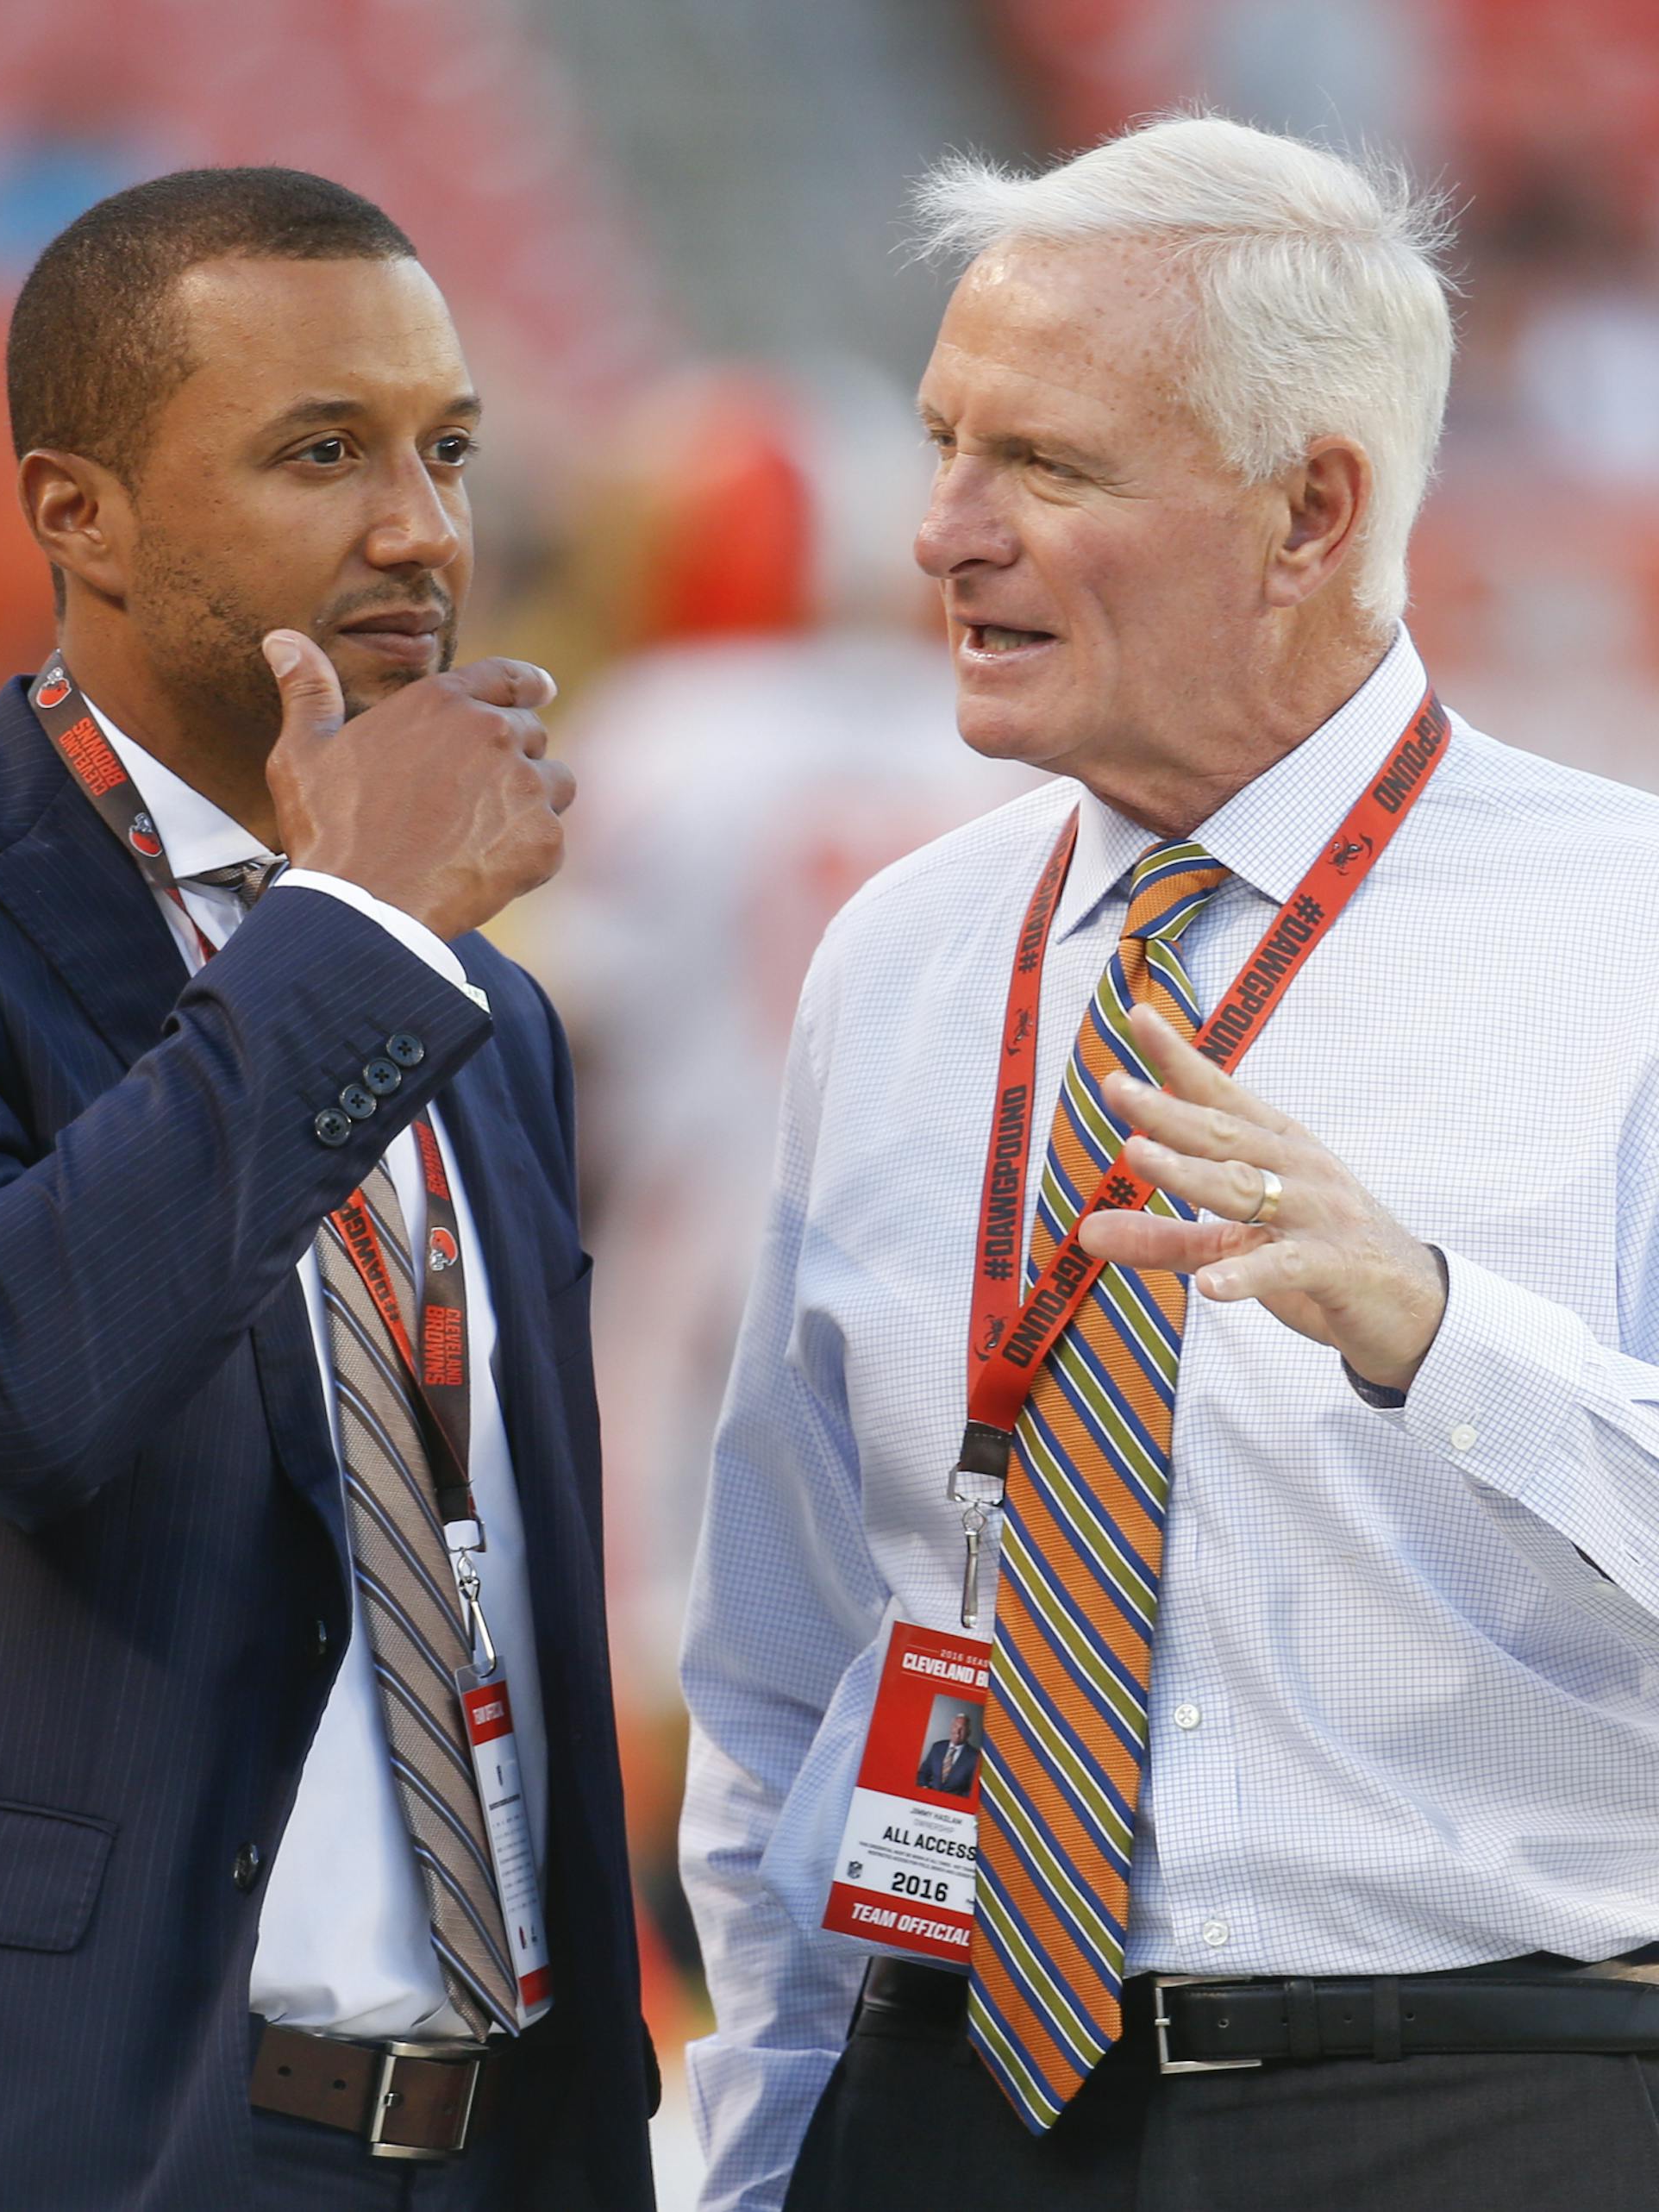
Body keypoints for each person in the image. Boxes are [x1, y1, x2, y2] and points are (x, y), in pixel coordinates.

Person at [679, 114, 1659, 2212]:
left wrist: (1435, 1328)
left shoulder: (1629, 933)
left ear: (1308, 511)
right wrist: (768, 2156)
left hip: (1474, 2103)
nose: (941, 530)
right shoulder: (900, 959)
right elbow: (781, 1648)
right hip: (942, 2102)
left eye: (1041, 465)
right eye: (942, 443)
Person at [0, 167, 655, 2212]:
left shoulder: (481, 1005)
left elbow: (499, 1567)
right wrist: (351, 919)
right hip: (66, 2133)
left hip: (479, 2139)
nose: (421, 530)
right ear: (71, 508)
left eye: (446, 447)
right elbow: (16, 1371)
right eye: (320, 452)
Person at [916, 1713, 980, 1797]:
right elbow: (923, 1773)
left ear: (969, 1733)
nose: (957, 1731)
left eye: (962, 1728)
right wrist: (925, 1788)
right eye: (955, 1726)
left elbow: (972, 1791)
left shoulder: (976, 1757)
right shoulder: (937, 1747)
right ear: (951, 1728)